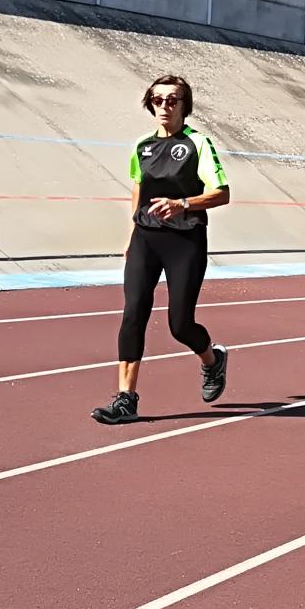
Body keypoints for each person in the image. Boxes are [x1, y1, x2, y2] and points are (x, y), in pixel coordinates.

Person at [91, 75, 233, 425]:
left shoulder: (198, 144)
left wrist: (183, 203)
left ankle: (212, 361)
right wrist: (130, 236)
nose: (164, 106)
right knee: (133, 311)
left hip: (185, 239)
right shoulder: (142, 146)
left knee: (180, 325)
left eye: (172, 100)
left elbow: (222, 193)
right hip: (146, 237)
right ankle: (126, 398)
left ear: (185, 106)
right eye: (157, 100)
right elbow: (139, 189)